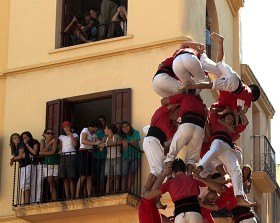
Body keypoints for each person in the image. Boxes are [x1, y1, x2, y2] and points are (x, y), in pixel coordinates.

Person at [180, 32, 260, 113]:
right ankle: (190, 86)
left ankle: (220, 42)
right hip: (234, 86)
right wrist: (240, 110)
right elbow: (245, 110)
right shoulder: (249, 98)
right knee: (210, 85)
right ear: (253, 97)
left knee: (219, 62)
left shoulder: (245, 88)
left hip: (236, 78)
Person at [196, 106, 255, 207]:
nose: (231, 121)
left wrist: (239, 110)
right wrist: (226, 108)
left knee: (236, 170)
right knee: (213, 150)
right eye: (228, 118)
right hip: (218, 141)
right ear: (223, 118)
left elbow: (245, 123)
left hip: (228, 148)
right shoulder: (216, 122)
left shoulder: (233, 129)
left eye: (232, 120)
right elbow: (213, 111)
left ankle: (240, 197)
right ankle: (199, 168)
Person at [143, 158, 203, 223]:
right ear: (185, 170)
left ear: (173, 172)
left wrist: (145, 190)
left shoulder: (170, 183)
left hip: (180, 214)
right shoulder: (193, 180)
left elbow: (148, 196)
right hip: (195, 212)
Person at [161, 91, 207, 175]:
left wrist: (179, 94)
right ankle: (189, 175)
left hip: (187, 123)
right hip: (200, 128)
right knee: (191, 158)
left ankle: (168, 175)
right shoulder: (201, 104)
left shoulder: (185, 96)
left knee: (172, 152)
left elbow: (163, 101)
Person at [142, 104, 180, 195]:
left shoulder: (172, 127)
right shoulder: (162, 113)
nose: (178, 116)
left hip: (156, 143)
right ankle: (146, 191)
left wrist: (175, 127)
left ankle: (151, 193)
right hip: (152, 140)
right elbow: (168, 103)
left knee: (160, 170)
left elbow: (167, 145)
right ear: (172, 110)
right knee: (158, 169)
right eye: (177, 113)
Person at [76, 120, 101, 198]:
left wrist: (102, 143)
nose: (97, 129)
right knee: (83, 175)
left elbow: (99, 142)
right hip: (83, 153)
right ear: (94, 126)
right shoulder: (85, 130)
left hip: (90, 154)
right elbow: (83, 141)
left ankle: (89, 195)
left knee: (89, 176)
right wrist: (94, 143)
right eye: (97, 128)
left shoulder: (94, 135)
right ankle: (76, 195)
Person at [118, 121, 141, 192]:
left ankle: (128, 190)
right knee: (124, 174)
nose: (125, 128)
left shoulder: (135, 132)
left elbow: (135, 143)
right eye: (123, 127)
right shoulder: (121, 135)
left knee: (132, 173)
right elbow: (117, 141)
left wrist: (127, 142)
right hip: (126, 156)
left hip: (136, 156)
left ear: (129, 126)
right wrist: (122, 142)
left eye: (126, 126)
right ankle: (122, 191)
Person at [58, 121, 79, 199]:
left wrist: (70, 134)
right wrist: (60, 152)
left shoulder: (75, 135)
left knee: (71, 177)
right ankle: (67, 196)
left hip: (71, 156)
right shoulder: (61, 137)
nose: (67, 128)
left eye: (68, 127)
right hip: (64, 157)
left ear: (70, 128)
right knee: (65, 177)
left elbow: (74, 144)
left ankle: (73, 196)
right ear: (63, 128)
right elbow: (60, 148)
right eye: (65, 127)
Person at [10, 133, 32, 204]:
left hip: (27, 165)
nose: (17, 139)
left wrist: (13, 159)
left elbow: (19, 156)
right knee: (23, 185)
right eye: (15, 138)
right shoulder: (13, 149)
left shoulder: (21, 145)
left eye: (18, 138)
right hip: (22, 166)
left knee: (26, 183)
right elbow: (18, 157)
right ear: (12, 140)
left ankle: (26, 202)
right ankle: (24, 202)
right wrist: (15, 158)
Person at [39, 128, 60, 201]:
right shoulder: (42, 141)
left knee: (56, 181)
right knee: (50, 182)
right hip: (47, 164)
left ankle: (53, 198)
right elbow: (40, 152)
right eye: (48, 133)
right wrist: (48, 145)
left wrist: (43, 152)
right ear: (44, 134)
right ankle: (55, 199)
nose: (50, 135)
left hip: (55, 163)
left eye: (52, 133)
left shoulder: (54, 140)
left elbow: (52, 152)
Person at [101, 123, 122, 193]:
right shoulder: (105, 138)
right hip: (108, 159)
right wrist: (101, 144)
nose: (104, 130)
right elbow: (100, 148)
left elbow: (118, 142)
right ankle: (107, 193)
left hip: (117, 158)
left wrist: (106, 144)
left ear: (109, 130)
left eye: (105, 128)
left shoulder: (116, 136)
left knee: (116, 176)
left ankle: (115, 192)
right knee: (108, 177)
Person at [21, 131, 41, 203]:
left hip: (37, 164)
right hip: (30, 165)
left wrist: (27, 145)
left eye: (25, 137)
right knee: (29, 184)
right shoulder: (23, 145)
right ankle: (29, 201)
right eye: (23, 138)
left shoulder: (34, 142)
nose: (24, 139)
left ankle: (37, 200)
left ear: (29, 137)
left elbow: (34, 152)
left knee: (37, 183)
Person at [92, 119, 106, 194]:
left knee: (99, 176)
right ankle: (98, 193)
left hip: (100, 157)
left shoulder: (95, 134)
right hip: (99, 157)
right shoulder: (101, 133)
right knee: (98, 176)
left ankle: (98, 193)